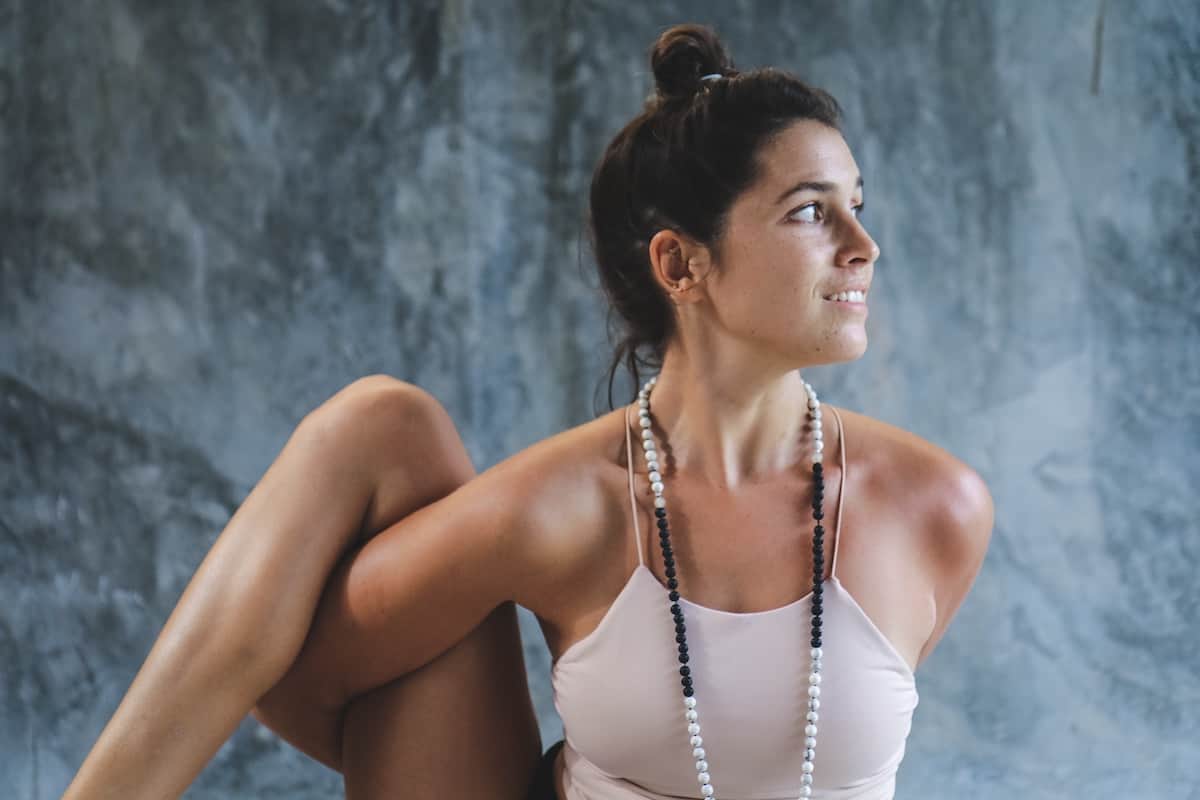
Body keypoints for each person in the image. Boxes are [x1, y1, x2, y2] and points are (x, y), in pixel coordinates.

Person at [64, 22, 993, 800]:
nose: (863, 246)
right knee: (386, 425)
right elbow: (297, 678)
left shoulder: (937, 509)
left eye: (857, 207)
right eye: (809, 212)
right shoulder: (564, 506)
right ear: (680, 266)